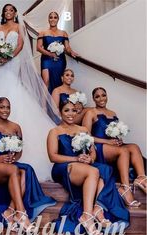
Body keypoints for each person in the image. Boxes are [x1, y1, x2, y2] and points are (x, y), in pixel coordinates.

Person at [0, 3, 59, 181]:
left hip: (12, 61)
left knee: (12, 86)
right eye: (6, 11)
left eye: (11, 10)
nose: (8, 13)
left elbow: (20, 45)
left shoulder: (19, 27)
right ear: (3, 13)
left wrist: (9, 56)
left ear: (15, 13)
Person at [47, 94, 129, 234]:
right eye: (66, 110)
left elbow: (93, 152)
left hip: (82, 164)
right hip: (64, 166)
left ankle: (97, 206)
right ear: (61, 112)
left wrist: (90, 159)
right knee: (94, 172)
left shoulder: (83, 130)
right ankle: (87, 215)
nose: (71, 114)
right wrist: (76, 159)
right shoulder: (54, 132)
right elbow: (52, 156)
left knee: (105, 169)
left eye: (73, 110)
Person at [0, 97, 56, 232]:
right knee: (14, 170)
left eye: (8, 107)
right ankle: (21, 213)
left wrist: (14, 157)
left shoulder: (16, 127)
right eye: (2, 107)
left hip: (7, 164)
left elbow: (19, 151)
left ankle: (10, 211)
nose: (5, 110)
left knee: (25, 170)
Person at [82, 87, 147, 207]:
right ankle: (125, 188)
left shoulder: (113, 113)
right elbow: (86, 136)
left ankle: (142, 178)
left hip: (112, 146)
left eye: (103, 95)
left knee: (134, 147)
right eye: (97, 96)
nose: (101, 98)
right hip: (98, 146)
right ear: (93, 99)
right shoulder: (90, 113)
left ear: (107, 96)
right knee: (123, 151)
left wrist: (117, 139)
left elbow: (114, 134)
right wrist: (107, 142)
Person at [37, 12, 78, 94]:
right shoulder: (43, 33)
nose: (53, 19)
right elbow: (38, 48)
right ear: (48, 19)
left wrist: (71, 51)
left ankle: (56, 103)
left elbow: (67, 47)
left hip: (60, 60)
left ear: (58, 19)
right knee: (46, 81)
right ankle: (44, 106)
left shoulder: (63, 33)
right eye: (51, 17)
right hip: (46, 60)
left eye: (55, 17)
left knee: (59, 81)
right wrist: (50, 54)